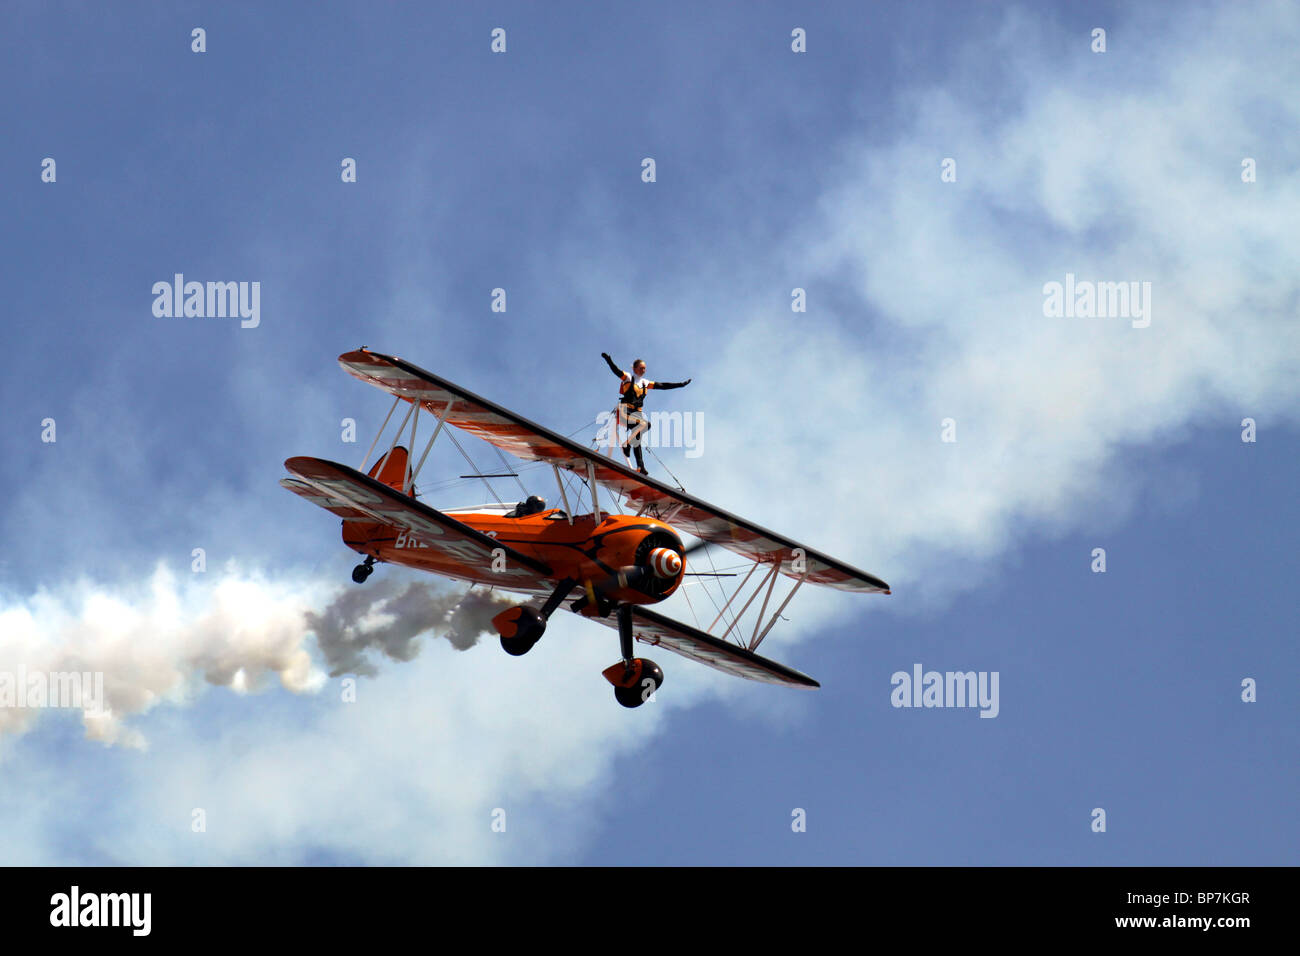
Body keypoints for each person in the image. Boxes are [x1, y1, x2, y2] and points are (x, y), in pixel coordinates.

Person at [601, 352, 691, 475]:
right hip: (624, 413)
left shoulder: (645, 383)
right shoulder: (628, 377)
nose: (644, 370)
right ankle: (626, 444)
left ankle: (640, 466)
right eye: (641, 368)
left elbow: (663, 385)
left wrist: (680, 385)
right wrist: (609, 360)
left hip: (636, 415)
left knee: (637, 438)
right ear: (635, 368)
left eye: (645, 368)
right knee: (645, 425)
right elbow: (616, 371)